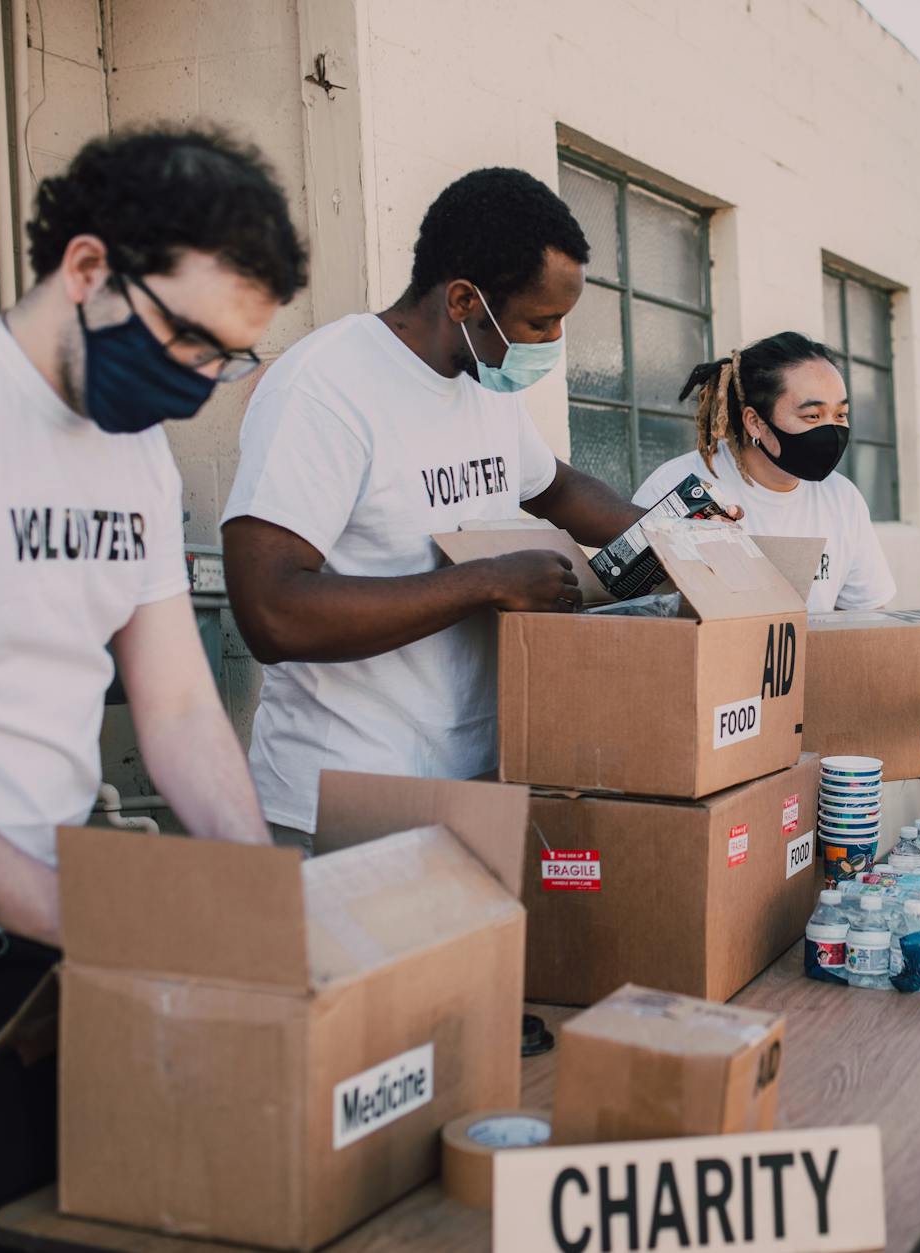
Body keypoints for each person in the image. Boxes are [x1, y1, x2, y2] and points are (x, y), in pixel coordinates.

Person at [0, 127, 305, 1250]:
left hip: (46, 945)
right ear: (89, 266)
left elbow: (180, 706)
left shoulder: (135, 452)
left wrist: (258, 895)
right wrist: (87, 916)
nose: (195, 382)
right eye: (187, 338)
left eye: (226, 359)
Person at [221, 168, 648, 847]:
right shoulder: (325, 388)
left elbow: (557, 489)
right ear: (462, 300)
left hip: (470, 782)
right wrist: (486, 582)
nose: (552, 343)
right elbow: (270, 612)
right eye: (540, 322)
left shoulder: (484, 384)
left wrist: (675, 542)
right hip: (345, 797)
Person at [634, 331, 895, 613]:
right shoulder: (676, 487)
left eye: (840, 415)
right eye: (812, 416)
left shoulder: (843, 499)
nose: (831, 430)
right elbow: (629, 608)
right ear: (755, 422)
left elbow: (867, 616)